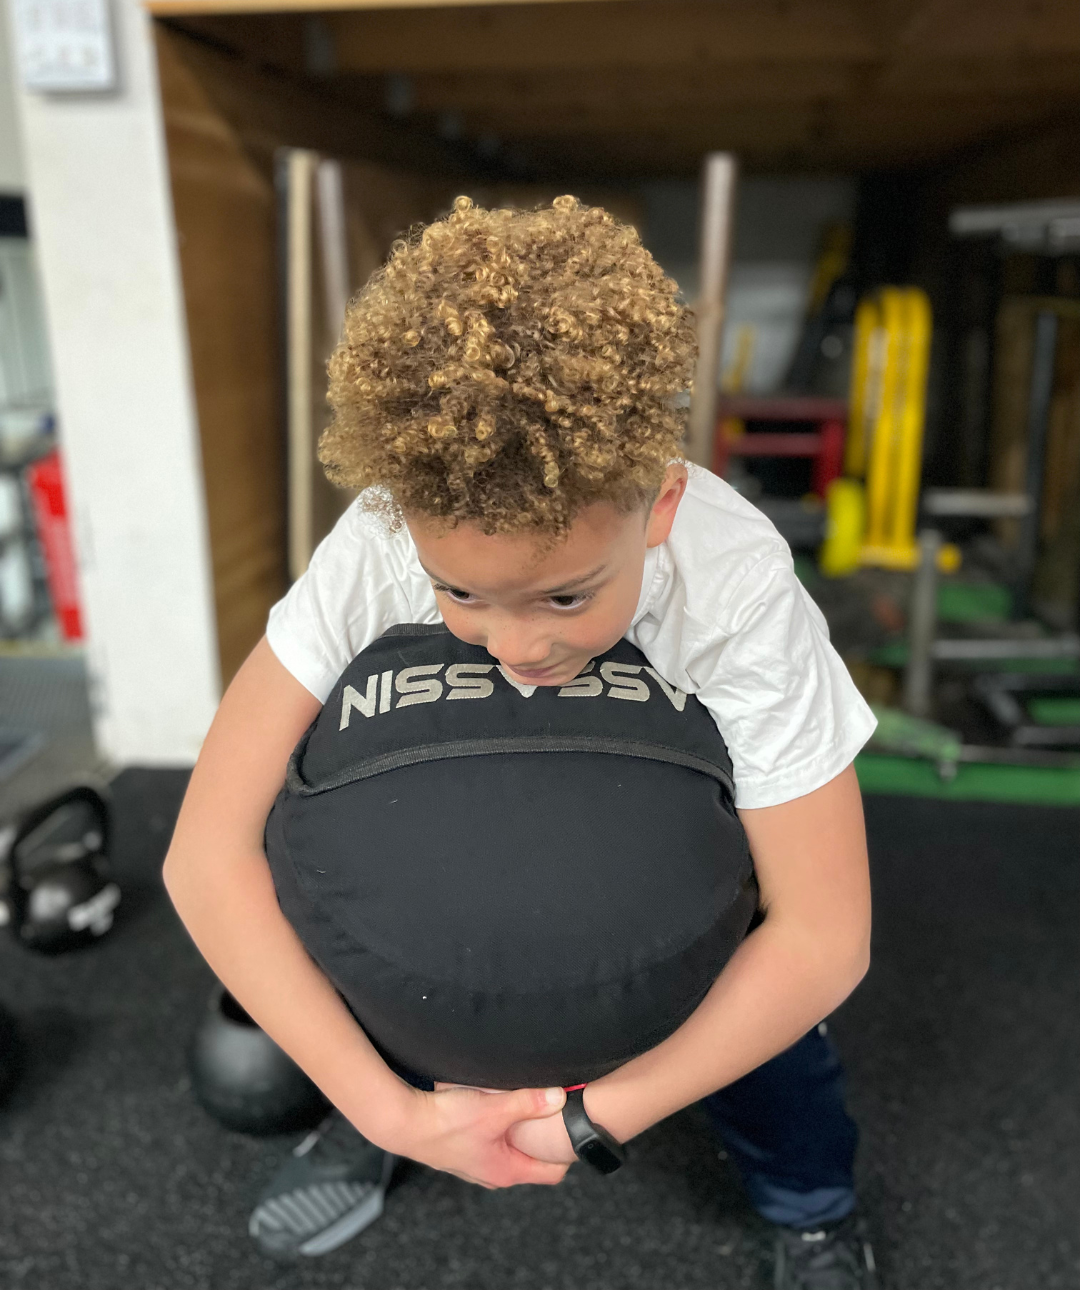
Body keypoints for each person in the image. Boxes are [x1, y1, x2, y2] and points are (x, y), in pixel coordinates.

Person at [164, 196, 879, 1289]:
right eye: (462, 593)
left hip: (689, 950)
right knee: (370, 956)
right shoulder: (377, 542)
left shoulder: (732, 580)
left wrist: (596, 1118)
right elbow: (203, 856)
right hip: (414, 1017)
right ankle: (373, 1129)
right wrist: (389, 1110)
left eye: (563, 596)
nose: (515, 646)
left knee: (782, 1060)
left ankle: (812, 1209)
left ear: (659, 507)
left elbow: (824, 933)